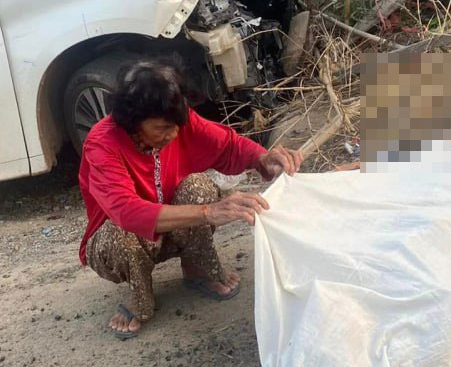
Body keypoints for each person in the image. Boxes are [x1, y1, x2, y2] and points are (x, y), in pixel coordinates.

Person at [77, 61, 303, 338]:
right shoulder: (102, 143)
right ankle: (140, 297)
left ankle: (198, 270)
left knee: (198, 187)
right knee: (120, 233)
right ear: (133, 121)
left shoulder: (177, 122)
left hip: (171, 230)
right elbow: (127, 211)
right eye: (162, 128)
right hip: (119, 240)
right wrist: (208, 212)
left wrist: (263, 159)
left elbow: (228, 146)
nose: (173, 134)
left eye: (176, 126)